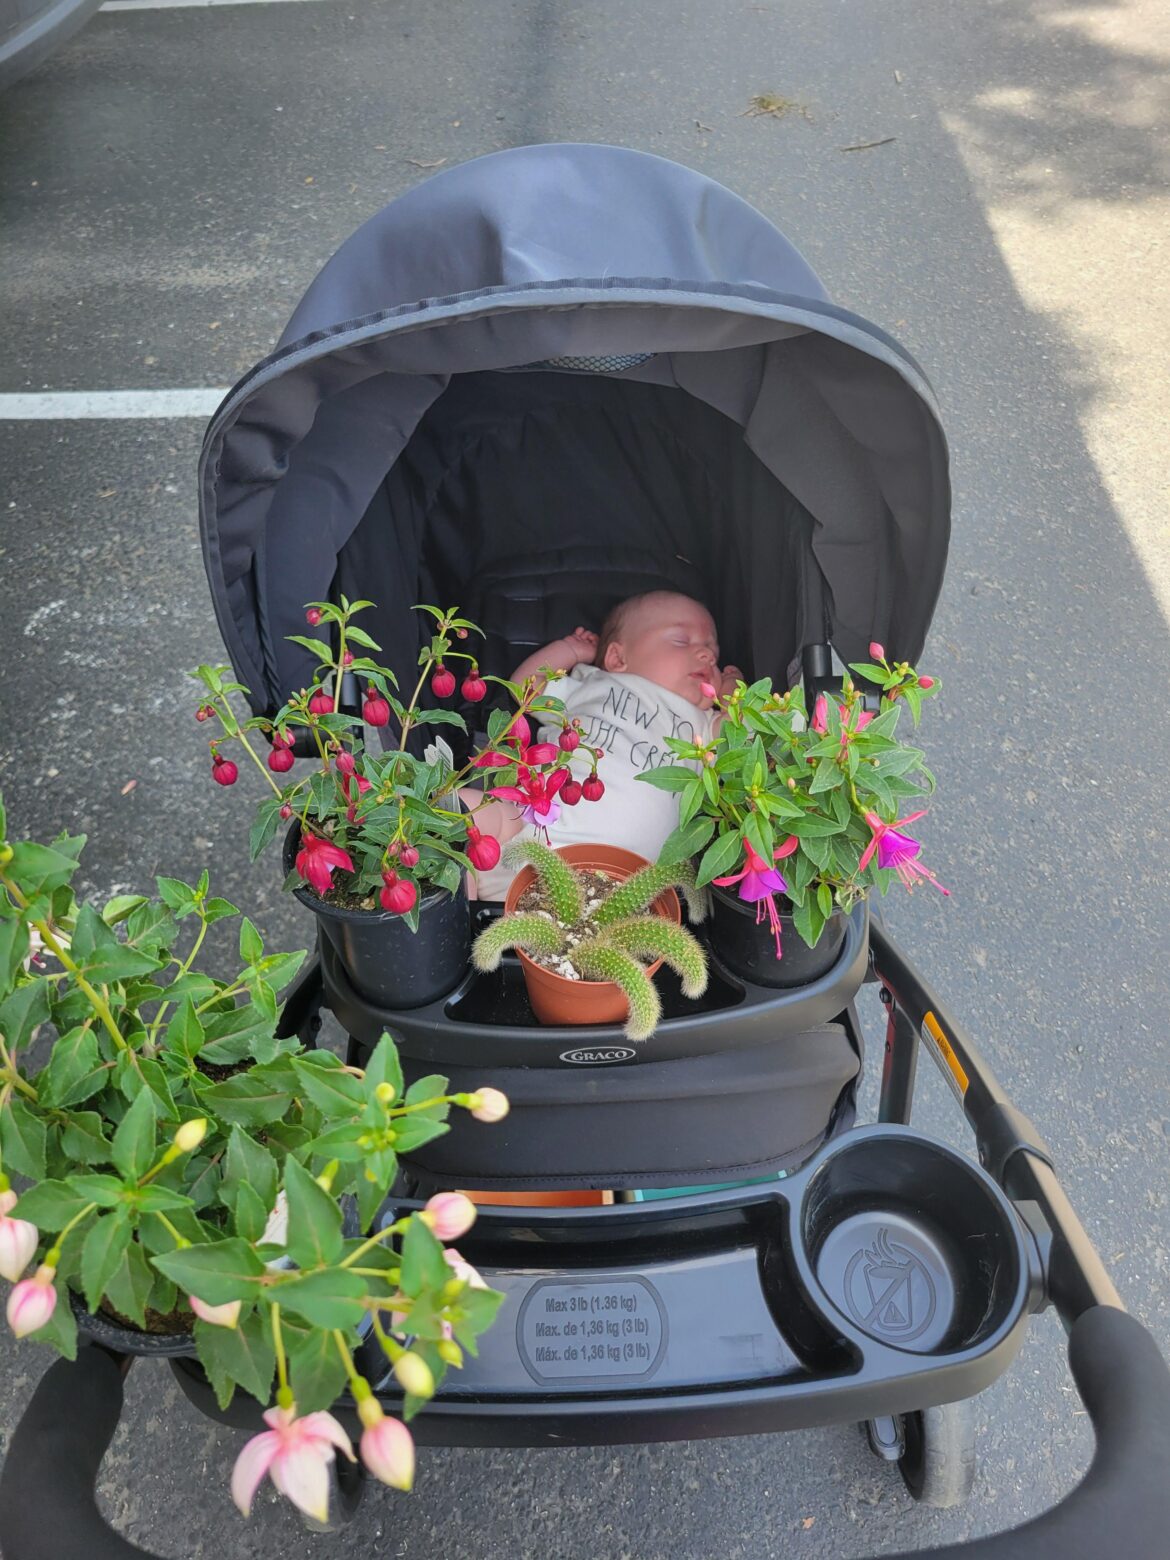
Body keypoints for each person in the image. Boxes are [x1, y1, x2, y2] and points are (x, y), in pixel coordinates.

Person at [464, 591, 743, 899]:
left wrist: (733, 694)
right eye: (680, 641)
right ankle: (455, 911)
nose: (706, 655)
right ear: (617, 658)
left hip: (627, 884)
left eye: (713, 652)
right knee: (464, 811)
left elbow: (741, 739)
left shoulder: (704, 724)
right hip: (529, 832)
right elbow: (525, 689)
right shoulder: (592, 685)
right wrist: (568, 650)